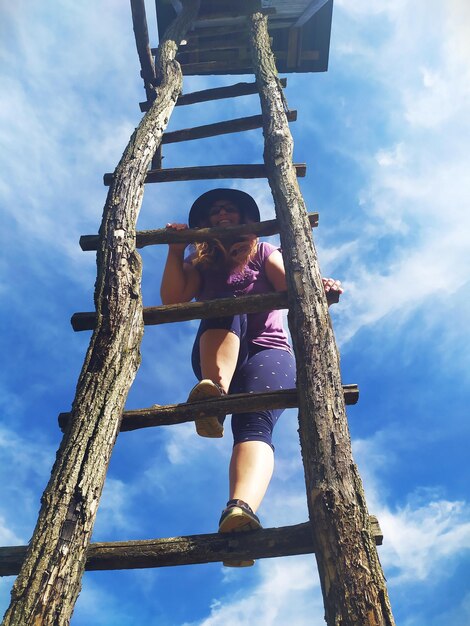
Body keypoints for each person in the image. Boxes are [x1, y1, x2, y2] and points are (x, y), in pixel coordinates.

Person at [160, 189, 342, 566]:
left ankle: (239, 510)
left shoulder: (262, 251)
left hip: (269, 351)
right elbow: (173, 300)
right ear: (205, 224)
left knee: (254, 425)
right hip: (217, 349)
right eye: (214, 211)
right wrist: (176, 249)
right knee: (227, 306)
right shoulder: (201, 261)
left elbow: (287, 287)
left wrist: (317, 286)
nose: (222, 214)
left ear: (245, 219)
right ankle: (213, 396)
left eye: (230, 209)